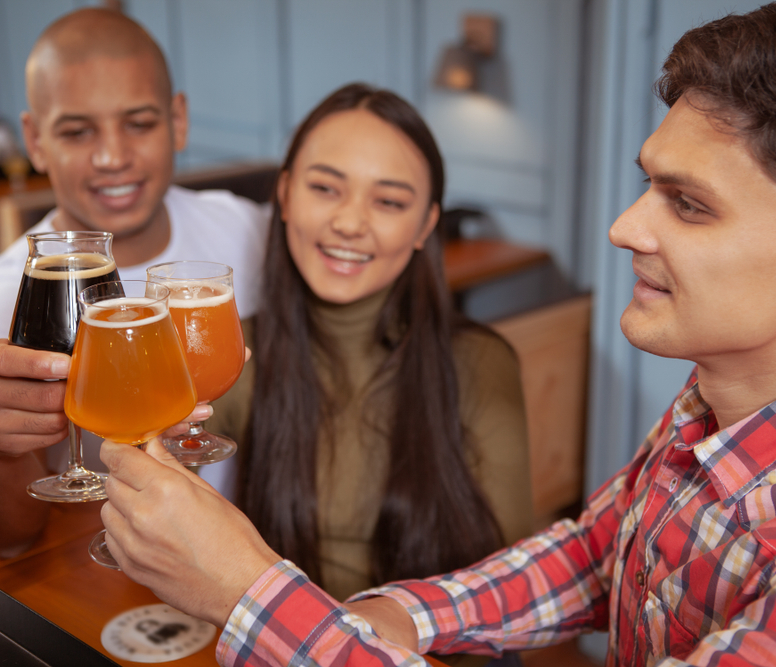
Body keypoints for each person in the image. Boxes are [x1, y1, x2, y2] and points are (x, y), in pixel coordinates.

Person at [96, 0, 776, 665]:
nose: (625, 226)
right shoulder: (711, 409)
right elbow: (596, 555)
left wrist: (248, 588)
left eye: (690, 204)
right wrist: (406, 613)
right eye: (648, 186)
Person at [0, 8, 268, 557]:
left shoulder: (243, 228)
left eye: (139, 123)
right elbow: (2, 538)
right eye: (77, 130)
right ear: (35, 140)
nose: (113, 156)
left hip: (249, 569)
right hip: (102, 587)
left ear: (178, 120)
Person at [188, 83, 532, 605]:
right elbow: (151, 486)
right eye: (325, 188)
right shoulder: (240, 354)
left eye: (389, 201)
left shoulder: (480, 362)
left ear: (426, 227)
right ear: (283, 195)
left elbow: (506, 592)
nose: (349, 223)